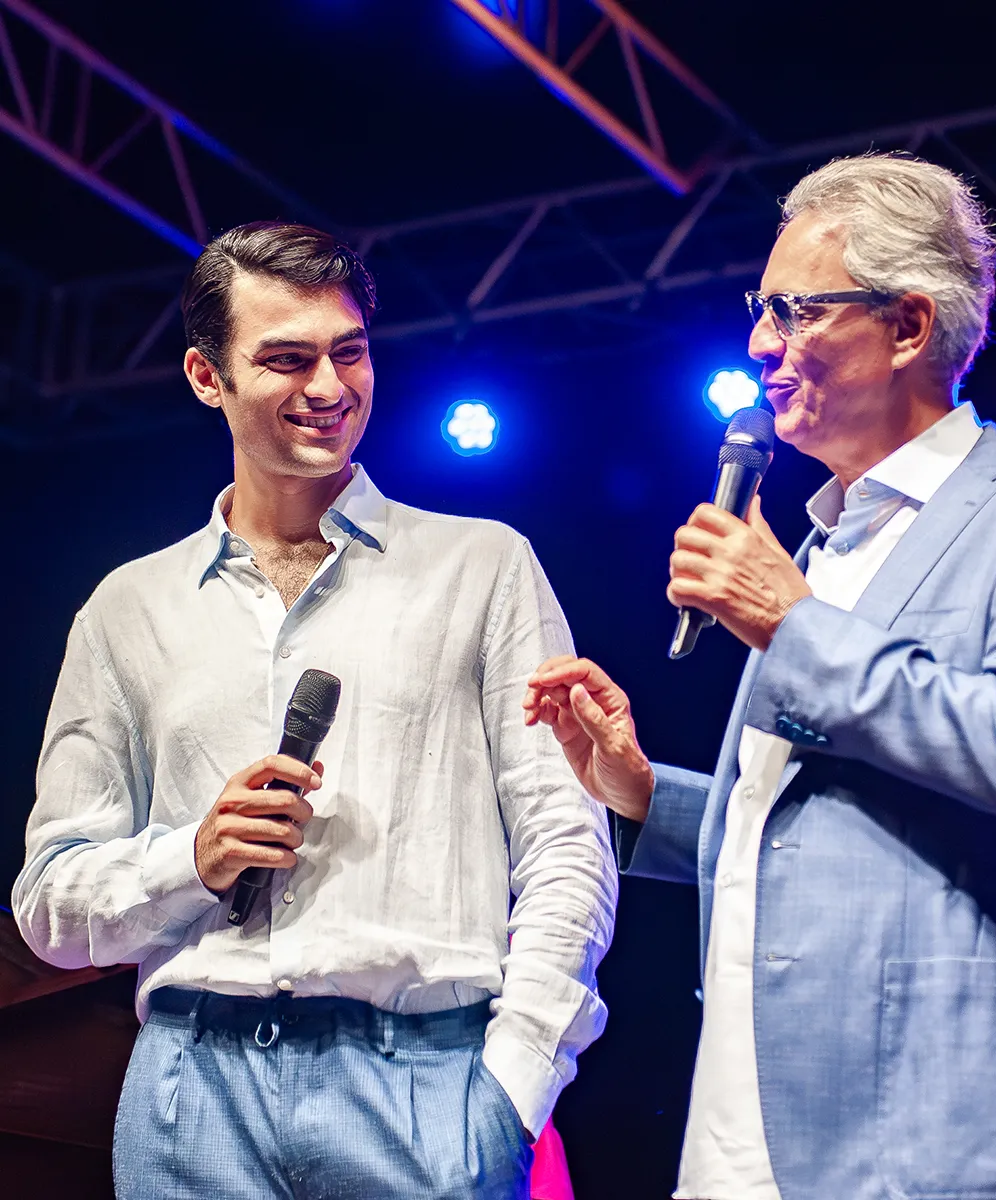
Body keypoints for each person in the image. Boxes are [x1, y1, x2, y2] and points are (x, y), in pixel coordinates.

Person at [525, 153, 996, 1200]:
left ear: (907, 326)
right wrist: (641, 791)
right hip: (749, 1132)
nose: (760, 343)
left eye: (796, 310)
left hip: (941, 1135)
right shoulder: (822, 543)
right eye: (760, 310)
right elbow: (813, 832)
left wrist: (792, 624)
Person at [14, 222, 617, 1199]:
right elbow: (50, 901)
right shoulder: (130, 607)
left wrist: (512, 1086)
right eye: (287, 360)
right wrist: (192, 857)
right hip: (190, 1090)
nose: (331, 387)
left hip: (429, 1079)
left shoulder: (482, 565)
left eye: (351, 352)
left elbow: (564, 838)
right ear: (206, 377)